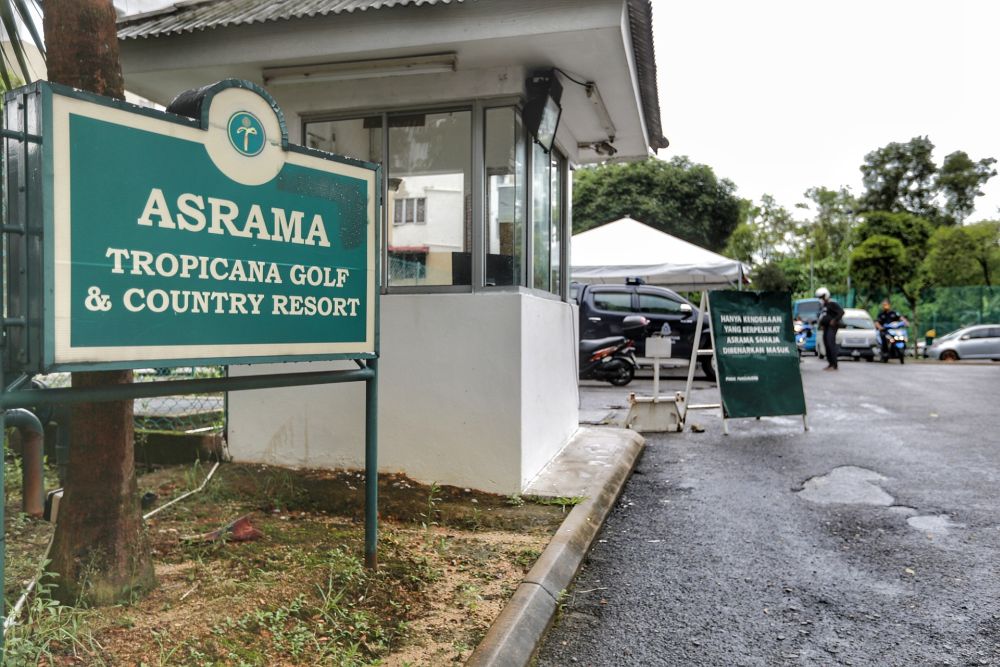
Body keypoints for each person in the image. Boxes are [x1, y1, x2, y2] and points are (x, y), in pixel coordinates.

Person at [816, 287, 844, 371]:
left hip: (832, 327)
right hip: (826, 327)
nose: (821, 299)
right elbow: (823, 316)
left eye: (822, 297)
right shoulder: (824, 305)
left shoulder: (832, 304)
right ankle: (830, 363)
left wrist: (834, 320)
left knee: (830, 343)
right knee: (826, 344)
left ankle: (834, 364)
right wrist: (821, 324)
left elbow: (841, 312)